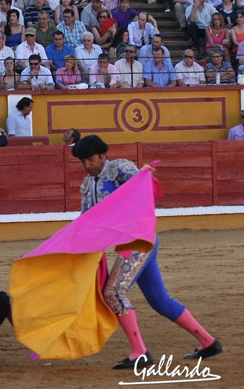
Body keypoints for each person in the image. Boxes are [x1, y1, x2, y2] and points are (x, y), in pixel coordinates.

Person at [71, 134, 223, 370]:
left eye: (91, 159)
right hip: (130, 243)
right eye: (83, 161)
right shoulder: (88, 184)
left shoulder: (118, 168)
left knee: (113, 293)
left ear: (103, 155)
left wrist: (144, 176)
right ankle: (208, 342)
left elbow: (141, 186)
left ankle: (139, 352)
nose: (87, 165)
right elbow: (86, 219)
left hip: (139, 239)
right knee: (159, 300)